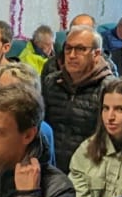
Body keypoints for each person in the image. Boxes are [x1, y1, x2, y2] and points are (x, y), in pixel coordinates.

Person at [43, 24, 114, 170]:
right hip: (52, 166)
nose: (72, 55)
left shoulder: (108, 87)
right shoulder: (52, 82)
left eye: (81, 49)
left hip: (90, 168)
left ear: (96, 54)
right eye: (68, 48)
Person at [0, 59, 57, 166]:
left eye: (12, 91)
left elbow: (49, 170)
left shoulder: (44, 131)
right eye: (0, 90)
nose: (2, 97)